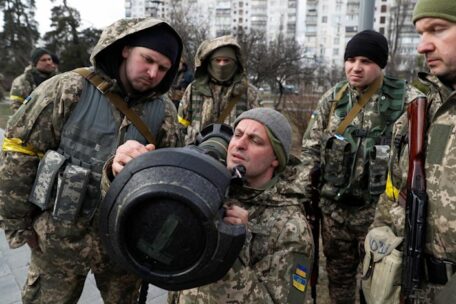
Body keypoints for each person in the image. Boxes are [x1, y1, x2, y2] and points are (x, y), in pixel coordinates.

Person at [0, 18, 182, 303]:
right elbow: (20, 152)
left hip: (123, 244)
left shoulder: (165, 112)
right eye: (147, 59)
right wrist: (18, 223)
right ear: (125, 49)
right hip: (58, 238)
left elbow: (171, 176)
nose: (153, 73)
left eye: (163, 68)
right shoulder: (68, 89)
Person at [108, 108, 314, 303]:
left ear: (275, 159)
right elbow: (137, 210)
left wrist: (228, 251)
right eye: (238, 134)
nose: (239, 145)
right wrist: (122, 171)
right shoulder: (211, 186)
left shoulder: (290, 227)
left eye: (255, 140)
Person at [299, 30, 423, 303]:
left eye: (365, 61)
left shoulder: (408, 100)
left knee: (380, 284)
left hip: (380, 217)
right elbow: (311, 149)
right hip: (335, 212)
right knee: (339, 281)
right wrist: (301, 195)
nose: (355, 68)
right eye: (351, 59)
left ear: (380, 65)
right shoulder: (334, 98)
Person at [369, 0, 456, 302]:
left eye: (437, 30)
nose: (422, 46)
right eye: (420, 33)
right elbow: (391, 193)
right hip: (411, 285)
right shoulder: (418, 112)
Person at [177, 35, 260, 145]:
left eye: (226, 60)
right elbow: (181, 125)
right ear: (209, 62)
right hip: (196, 153)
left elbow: (258, 130)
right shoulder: (194, 89)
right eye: (217, 60)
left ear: (235, 63)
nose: (221, 65)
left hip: (234, 155)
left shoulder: (248, 92)